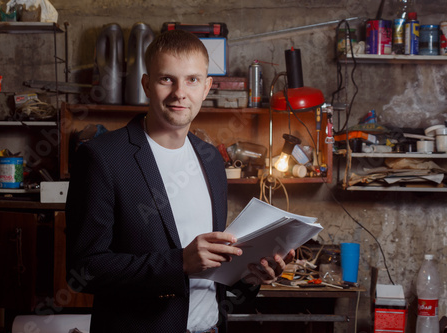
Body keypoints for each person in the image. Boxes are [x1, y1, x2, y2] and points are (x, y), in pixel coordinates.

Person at [65, 29, 295, 333]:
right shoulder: (102, 158)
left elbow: (212, 272)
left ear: (207, 87)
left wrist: (251, 275)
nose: (179, 93)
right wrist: (179, 263)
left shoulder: (211, 159)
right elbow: (83, 269)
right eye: (166, 79)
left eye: (192, 80)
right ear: (147, 84)